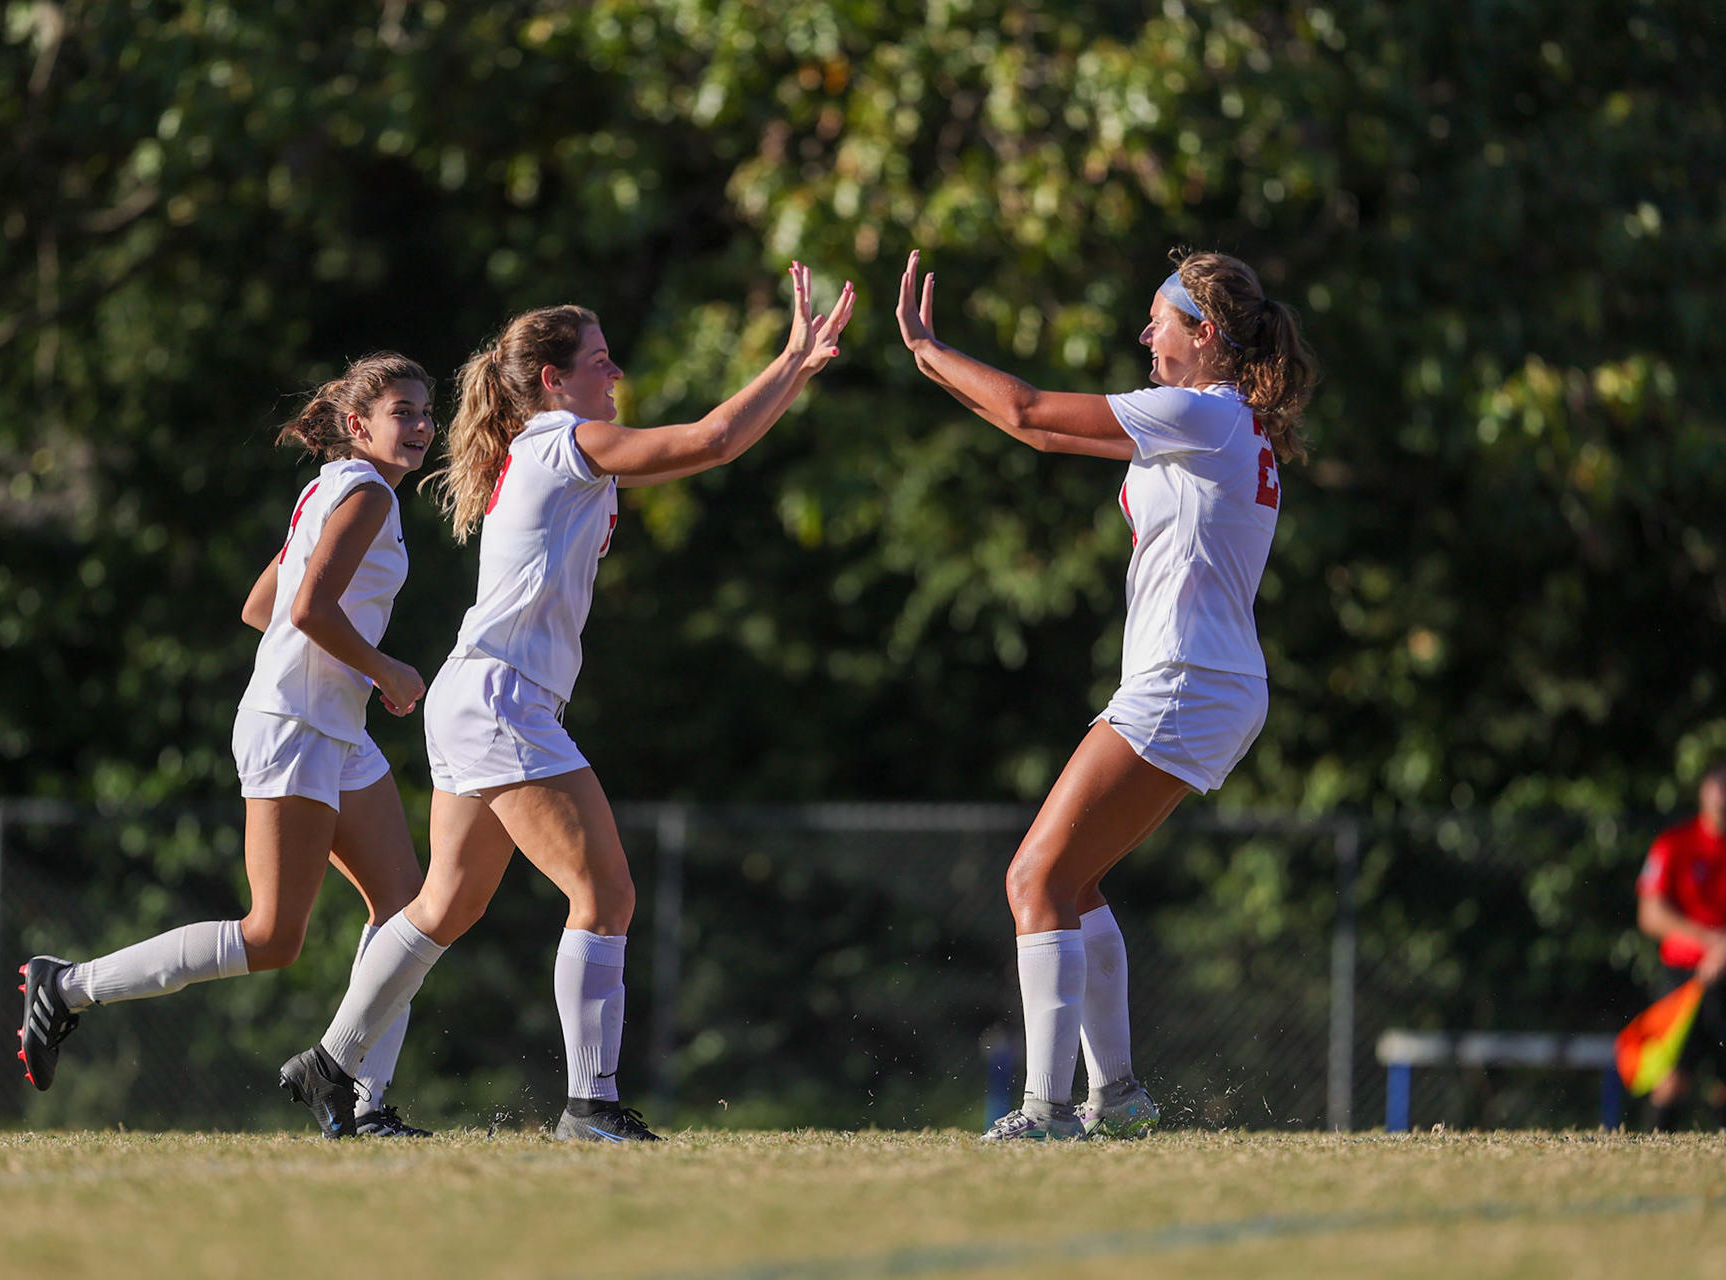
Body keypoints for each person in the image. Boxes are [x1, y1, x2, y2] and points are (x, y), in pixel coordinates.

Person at [278, 264, 856, 1140]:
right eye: (599, 359)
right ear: (554, 381)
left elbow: (709, 446)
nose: (613, 373)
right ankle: (590, 1106)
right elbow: (710, 442)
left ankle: (327, 1064)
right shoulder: (561, 441)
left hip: (486, 694)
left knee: (445, 907)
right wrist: (790, 360)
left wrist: (793, 370)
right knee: (605, 892)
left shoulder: (550, 448)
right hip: (502, 699)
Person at [895, 248, 1316, 1140]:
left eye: (1158, 318)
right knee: (1074, 883)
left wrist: (928, 350)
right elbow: (1040, 432)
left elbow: (1028, 407)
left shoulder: (1203, 414)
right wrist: (946, 371)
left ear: (1205, 336)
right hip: (1204, 681)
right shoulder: (1217, 420)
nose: (1143, 334)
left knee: (1035, 877)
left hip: (1186, 679)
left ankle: (1048, 1112)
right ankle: (1116, 1098)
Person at [18, 353, 438, 1136]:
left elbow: (259, 608)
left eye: (425, 411)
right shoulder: (370, 493)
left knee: (409, 907)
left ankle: (363, 1103)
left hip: (330, 725)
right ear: (358, 426)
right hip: (295, 727)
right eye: (403, 412)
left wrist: (349, 674)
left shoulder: (328, 487)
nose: (421, 426)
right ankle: (68, 987)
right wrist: (387, 669)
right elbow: (305, 609)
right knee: (272, 937)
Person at [1636, 762, 1726, 1129]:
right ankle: (1651, 1147)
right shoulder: (1674, 844)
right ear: (1704, 791)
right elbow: (1651, 914)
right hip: (1683, 979)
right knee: (1673, 1077)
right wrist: (1713, 944)